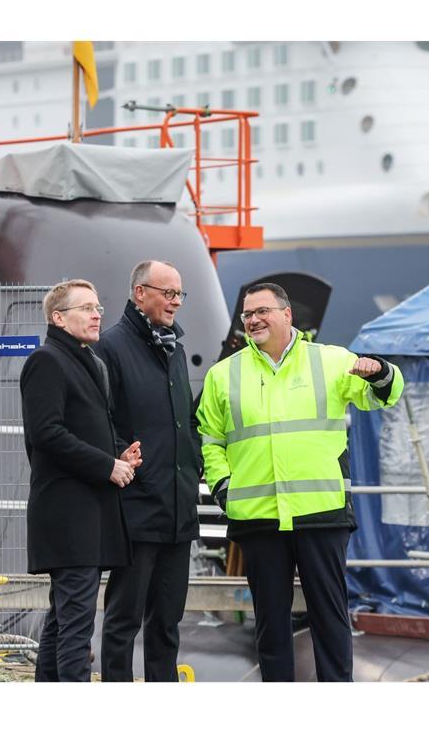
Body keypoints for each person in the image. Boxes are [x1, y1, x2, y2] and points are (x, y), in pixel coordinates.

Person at [196, 282, 404, 681]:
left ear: (287, 314)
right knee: (270, 625)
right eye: (247, 314)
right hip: (258, 518)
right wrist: (225, 490)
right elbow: (210, 439)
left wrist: (380, 370)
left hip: (320, 514)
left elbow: (382, 396)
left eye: (262, 311)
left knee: (330, 617)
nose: (254, 320)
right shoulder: (224, 375)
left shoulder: (329, 361)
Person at [20, 279, 143, 682]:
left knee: (63, 619)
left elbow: (84, 428)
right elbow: (47, 433)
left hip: (87, 514)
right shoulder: (47, 360)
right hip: (67, 515)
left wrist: (117, 454)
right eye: (86, 308)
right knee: (75, 626)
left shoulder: (87, 361)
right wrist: (106, 466)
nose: (97, 315)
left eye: (98, 308)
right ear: (59, 317)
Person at [94, 260, 201, 682]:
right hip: (136, 510)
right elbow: (101, 420)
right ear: (141, 293)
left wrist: (192, 465)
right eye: (168, 293)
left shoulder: (172, 347)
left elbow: (184, 422)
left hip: (178, 509)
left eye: (179, 295)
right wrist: (122, 455)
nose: (175, 302)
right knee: (124, 619)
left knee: (167, 622)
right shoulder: (111, 347)